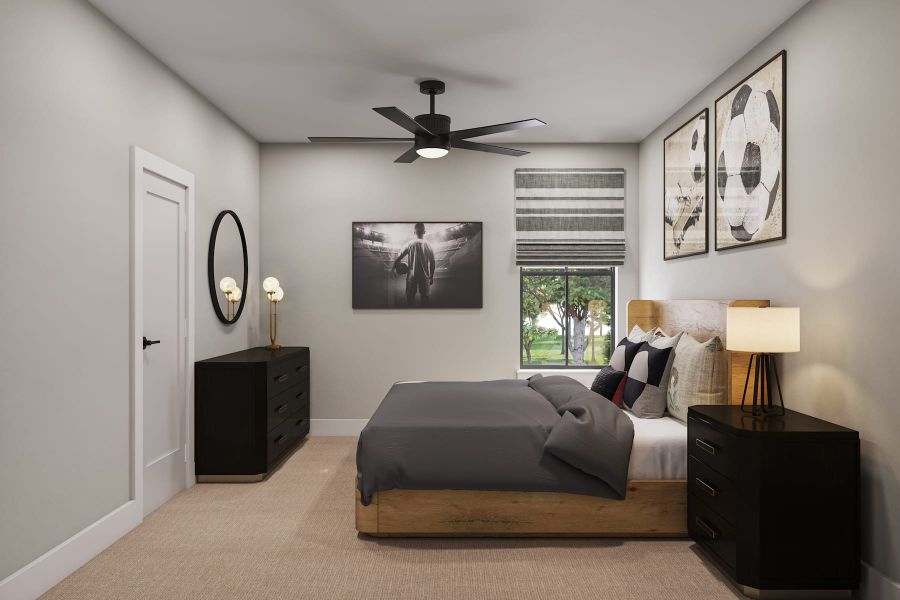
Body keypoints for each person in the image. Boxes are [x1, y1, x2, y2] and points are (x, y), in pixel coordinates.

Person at [393, 222, 435, 307]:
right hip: (425, 276)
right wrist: (431, 277)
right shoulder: (429, 245)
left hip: (411, 276)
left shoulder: (409, 244)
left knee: (410, 300)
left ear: (414, 232)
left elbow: (398, 258)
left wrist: (392, 269)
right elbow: (433, 263)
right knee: (425, 300)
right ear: (424, 232)